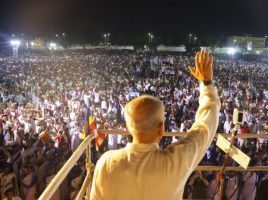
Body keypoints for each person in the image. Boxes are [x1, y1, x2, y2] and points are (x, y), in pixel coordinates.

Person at [90, 50, 221, 199]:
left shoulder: (105, 163)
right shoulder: (175, 162)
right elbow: (206, 124)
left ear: (128, 128)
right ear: (161, 129)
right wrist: (206, 83)